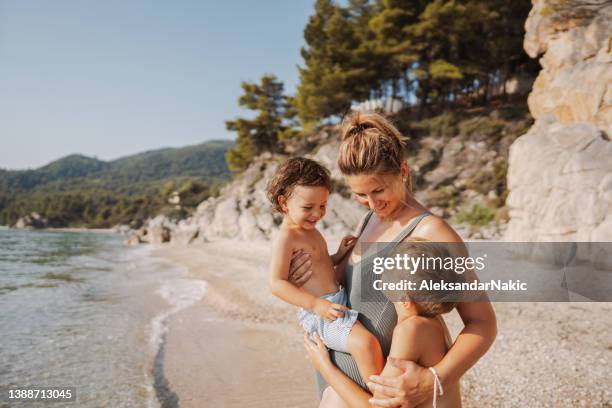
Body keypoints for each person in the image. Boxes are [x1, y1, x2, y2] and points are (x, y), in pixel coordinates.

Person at [290, 112, 497, 407]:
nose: (373, 204)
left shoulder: (433, 232)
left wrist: (434, 380)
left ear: (403, 170)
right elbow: (355, 296)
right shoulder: (367, 221)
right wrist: (308, 276)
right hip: (344, 390)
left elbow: (482, 323)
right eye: (360, 194)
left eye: (378, 191)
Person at [267, 157, 385, 391]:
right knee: (365, 343)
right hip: (322, 313)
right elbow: (276, 283)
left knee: (367, 342)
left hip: (333, 303)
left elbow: (319, 266)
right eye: (308, 207)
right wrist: (315, 305)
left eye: (322, 206)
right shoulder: (287, 237)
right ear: (283, 203)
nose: (317, 213)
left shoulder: (308, 230)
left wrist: (338, 256)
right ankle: (380, 395)